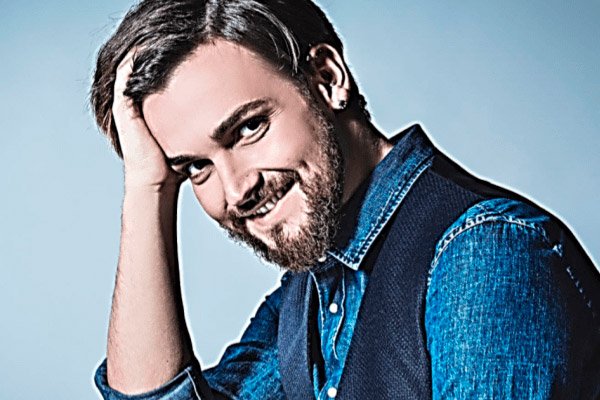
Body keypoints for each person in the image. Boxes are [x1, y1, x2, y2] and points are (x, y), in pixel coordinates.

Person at [91, 1, 600, 399]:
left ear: (327, 79)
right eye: (195, 167)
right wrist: (147, 187)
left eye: (248, 128)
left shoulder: (485, 254)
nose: (236, 190)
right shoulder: (311, 291)